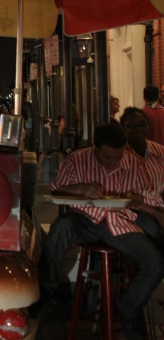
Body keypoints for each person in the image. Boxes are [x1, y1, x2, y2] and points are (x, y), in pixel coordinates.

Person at [39, 123, 163, 340]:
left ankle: (125, 309)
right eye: (107, 157)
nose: (114, 163)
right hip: (84, 219)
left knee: (155, 264)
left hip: (121, 223)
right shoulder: (77, 159)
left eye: (118, 157)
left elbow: (151, 196)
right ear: (95, 148)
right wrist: (80, 188)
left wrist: (139, 199)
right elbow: (55, 188)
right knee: (61, 227)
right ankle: (45, 294)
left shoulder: (133, 162)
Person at [121, 107, 164, 245]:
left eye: (143, 125)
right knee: (152, 231)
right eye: (132, 125)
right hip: (133, 209)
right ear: (123, 127)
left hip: (158, 206)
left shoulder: (159, 151)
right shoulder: (118, 155)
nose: (138, 129)